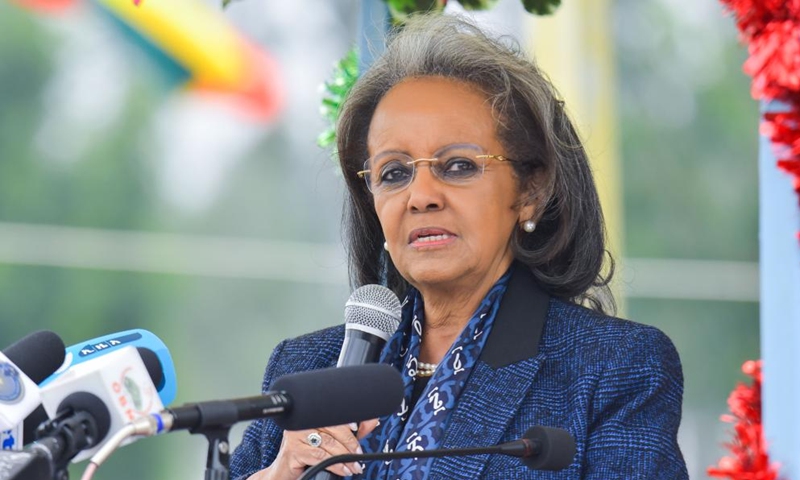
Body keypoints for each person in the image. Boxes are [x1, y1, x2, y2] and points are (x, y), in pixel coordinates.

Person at [230, 13, 687, 480]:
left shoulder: (613, 367)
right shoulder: (306, 371)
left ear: (530, 191)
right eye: (394, 173)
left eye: (458, 166)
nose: (421, 195)